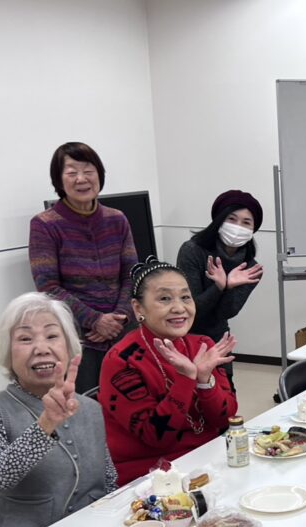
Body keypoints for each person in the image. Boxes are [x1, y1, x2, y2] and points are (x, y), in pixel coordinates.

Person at [0, 293, 117, 527]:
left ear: (69, 347)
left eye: (52, 336)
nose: (42, 348)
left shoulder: (90, 408)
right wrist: (45, 424)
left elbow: (108, 480)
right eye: (25, 339)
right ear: (7, 352)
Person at [100, 257, 237, 484]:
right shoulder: (122, 361)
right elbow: (155, 437)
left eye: (185, 297)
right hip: (149, 477)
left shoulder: (202, 345)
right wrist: (186, 378)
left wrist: (204, 380)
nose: (179, 308)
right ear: (138, 308)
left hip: (207, 460)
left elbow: (226, 418)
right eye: (164, 298)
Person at [29, 141, 138, 393]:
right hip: (78, 337)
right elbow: (48, 286)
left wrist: (120, 316)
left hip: (123, 329)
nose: (81, 179)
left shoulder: (117, 219)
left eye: (88, 171)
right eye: (71, 172)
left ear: (99, 175)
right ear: (59, 180)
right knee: (85, 403)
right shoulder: (45, 224)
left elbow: (131, 273)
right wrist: (95, 320)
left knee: (131, 397)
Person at [176, 190, 264, 387]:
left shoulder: (250, 269)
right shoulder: (192, 250)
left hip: (218, 338)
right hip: (185, 335)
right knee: (188, 392)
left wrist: (229, 286)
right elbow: (191, 310)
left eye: (246, 222)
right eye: (231, 219)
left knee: (224, 392)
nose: (238, 227)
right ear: (219, 219)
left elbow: (225, 313)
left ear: (253, 229)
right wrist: (219, 286)